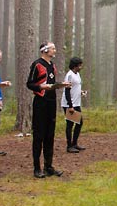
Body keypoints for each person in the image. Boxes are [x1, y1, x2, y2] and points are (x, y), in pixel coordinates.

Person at [26, 42, 67, 178]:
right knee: (39, 135)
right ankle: (37, 168)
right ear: (44, 50)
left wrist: (60, 85)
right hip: (40, 103)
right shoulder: (37, 64)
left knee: (50, 135)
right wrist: (42, 87)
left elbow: (51, 83)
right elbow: (30, 84)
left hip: (51, 103)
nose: (55, 50)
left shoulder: (52, 66)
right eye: (52, 48)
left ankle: (48, 166)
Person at [61, 57, 86, 153]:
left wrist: (81, 92)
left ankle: (74, 143)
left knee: (79, 123)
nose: (81, 67)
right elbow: (67, 91)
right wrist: (70, 106)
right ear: (75, 65)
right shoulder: (69, 75)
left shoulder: (77, 74)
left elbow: (75, 88)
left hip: (76, 102)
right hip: (69, 103)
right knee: (70, 124)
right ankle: (69, 146)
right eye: (80, 65)